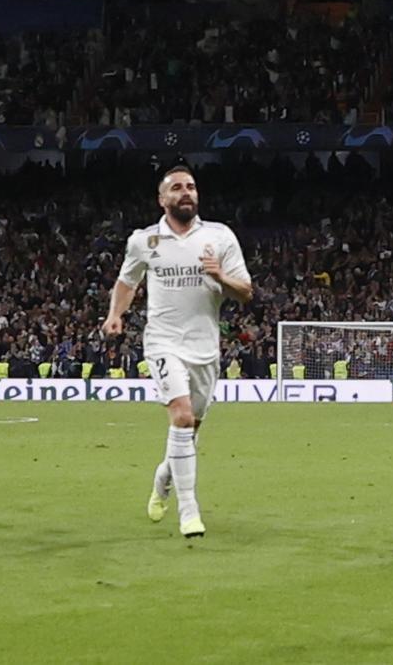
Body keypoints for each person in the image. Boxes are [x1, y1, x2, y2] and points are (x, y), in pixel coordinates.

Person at [101, 165, 253, 538]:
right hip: (163, 341)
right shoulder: (144, 241)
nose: (186, 193)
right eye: (177, 188)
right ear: (162, 199)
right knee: (181, 417)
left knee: (191, 426)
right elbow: (127, 282)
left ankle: (163, 478)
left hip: (205, 347)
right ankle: (189, 511)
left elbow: (246, 291)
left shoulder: (219, 236)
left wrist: (219, 277)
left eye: (191, 187)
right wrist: (115, 315)